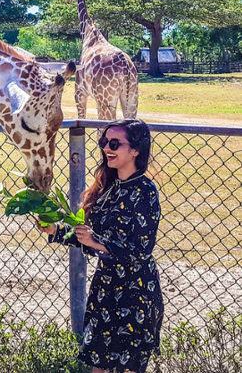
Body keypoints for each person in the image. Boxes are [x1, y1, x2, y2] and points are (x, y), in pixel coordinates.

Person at [36, 119, 163, 373]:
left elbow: (140, 251)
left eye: (114, 143)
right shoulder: (107, 186)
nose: (106, 148)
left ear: (136, 150)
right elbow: (89, 239)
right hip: (105, 291)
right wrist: (56, 231)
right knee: (99, 368)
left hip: (135, 294)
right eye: (104, 142)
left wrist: (97, 241)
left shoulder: (146, 191)